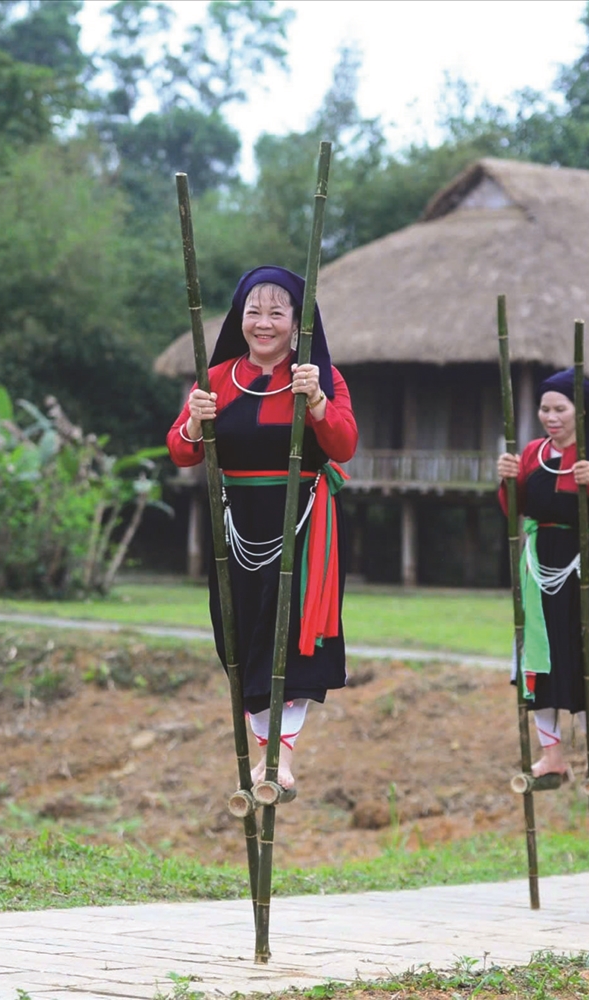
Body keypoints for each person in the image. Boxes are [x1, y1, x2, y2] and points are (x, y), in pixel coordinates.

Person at [168, 266, 358, 791]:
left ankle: (279, 759)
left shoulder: (319, 377)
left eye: (277, 312)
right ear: (239, 318)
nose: (264, 323)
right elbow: (182, 452)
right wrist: (191, 420)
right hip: (237, 526)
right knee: (242, 636)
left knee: (290, 638)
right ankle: (263, 753)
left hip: (302, 523)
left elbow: (343, 446)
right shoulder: (216, 379)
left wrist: (316, 402)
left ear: (298, 321)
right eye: (254, 311)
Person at [496, 372, 589, 780]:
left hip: (587, 564)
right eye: (544, 409)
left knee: (587, 651)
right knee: (540, 653)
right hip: (540, 564)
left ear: (581, 411)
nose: (550, 417)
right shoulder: (533, 453)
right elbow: (513, 509)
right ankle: (551, 755)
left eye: (560, 409)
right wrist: (506, 480)